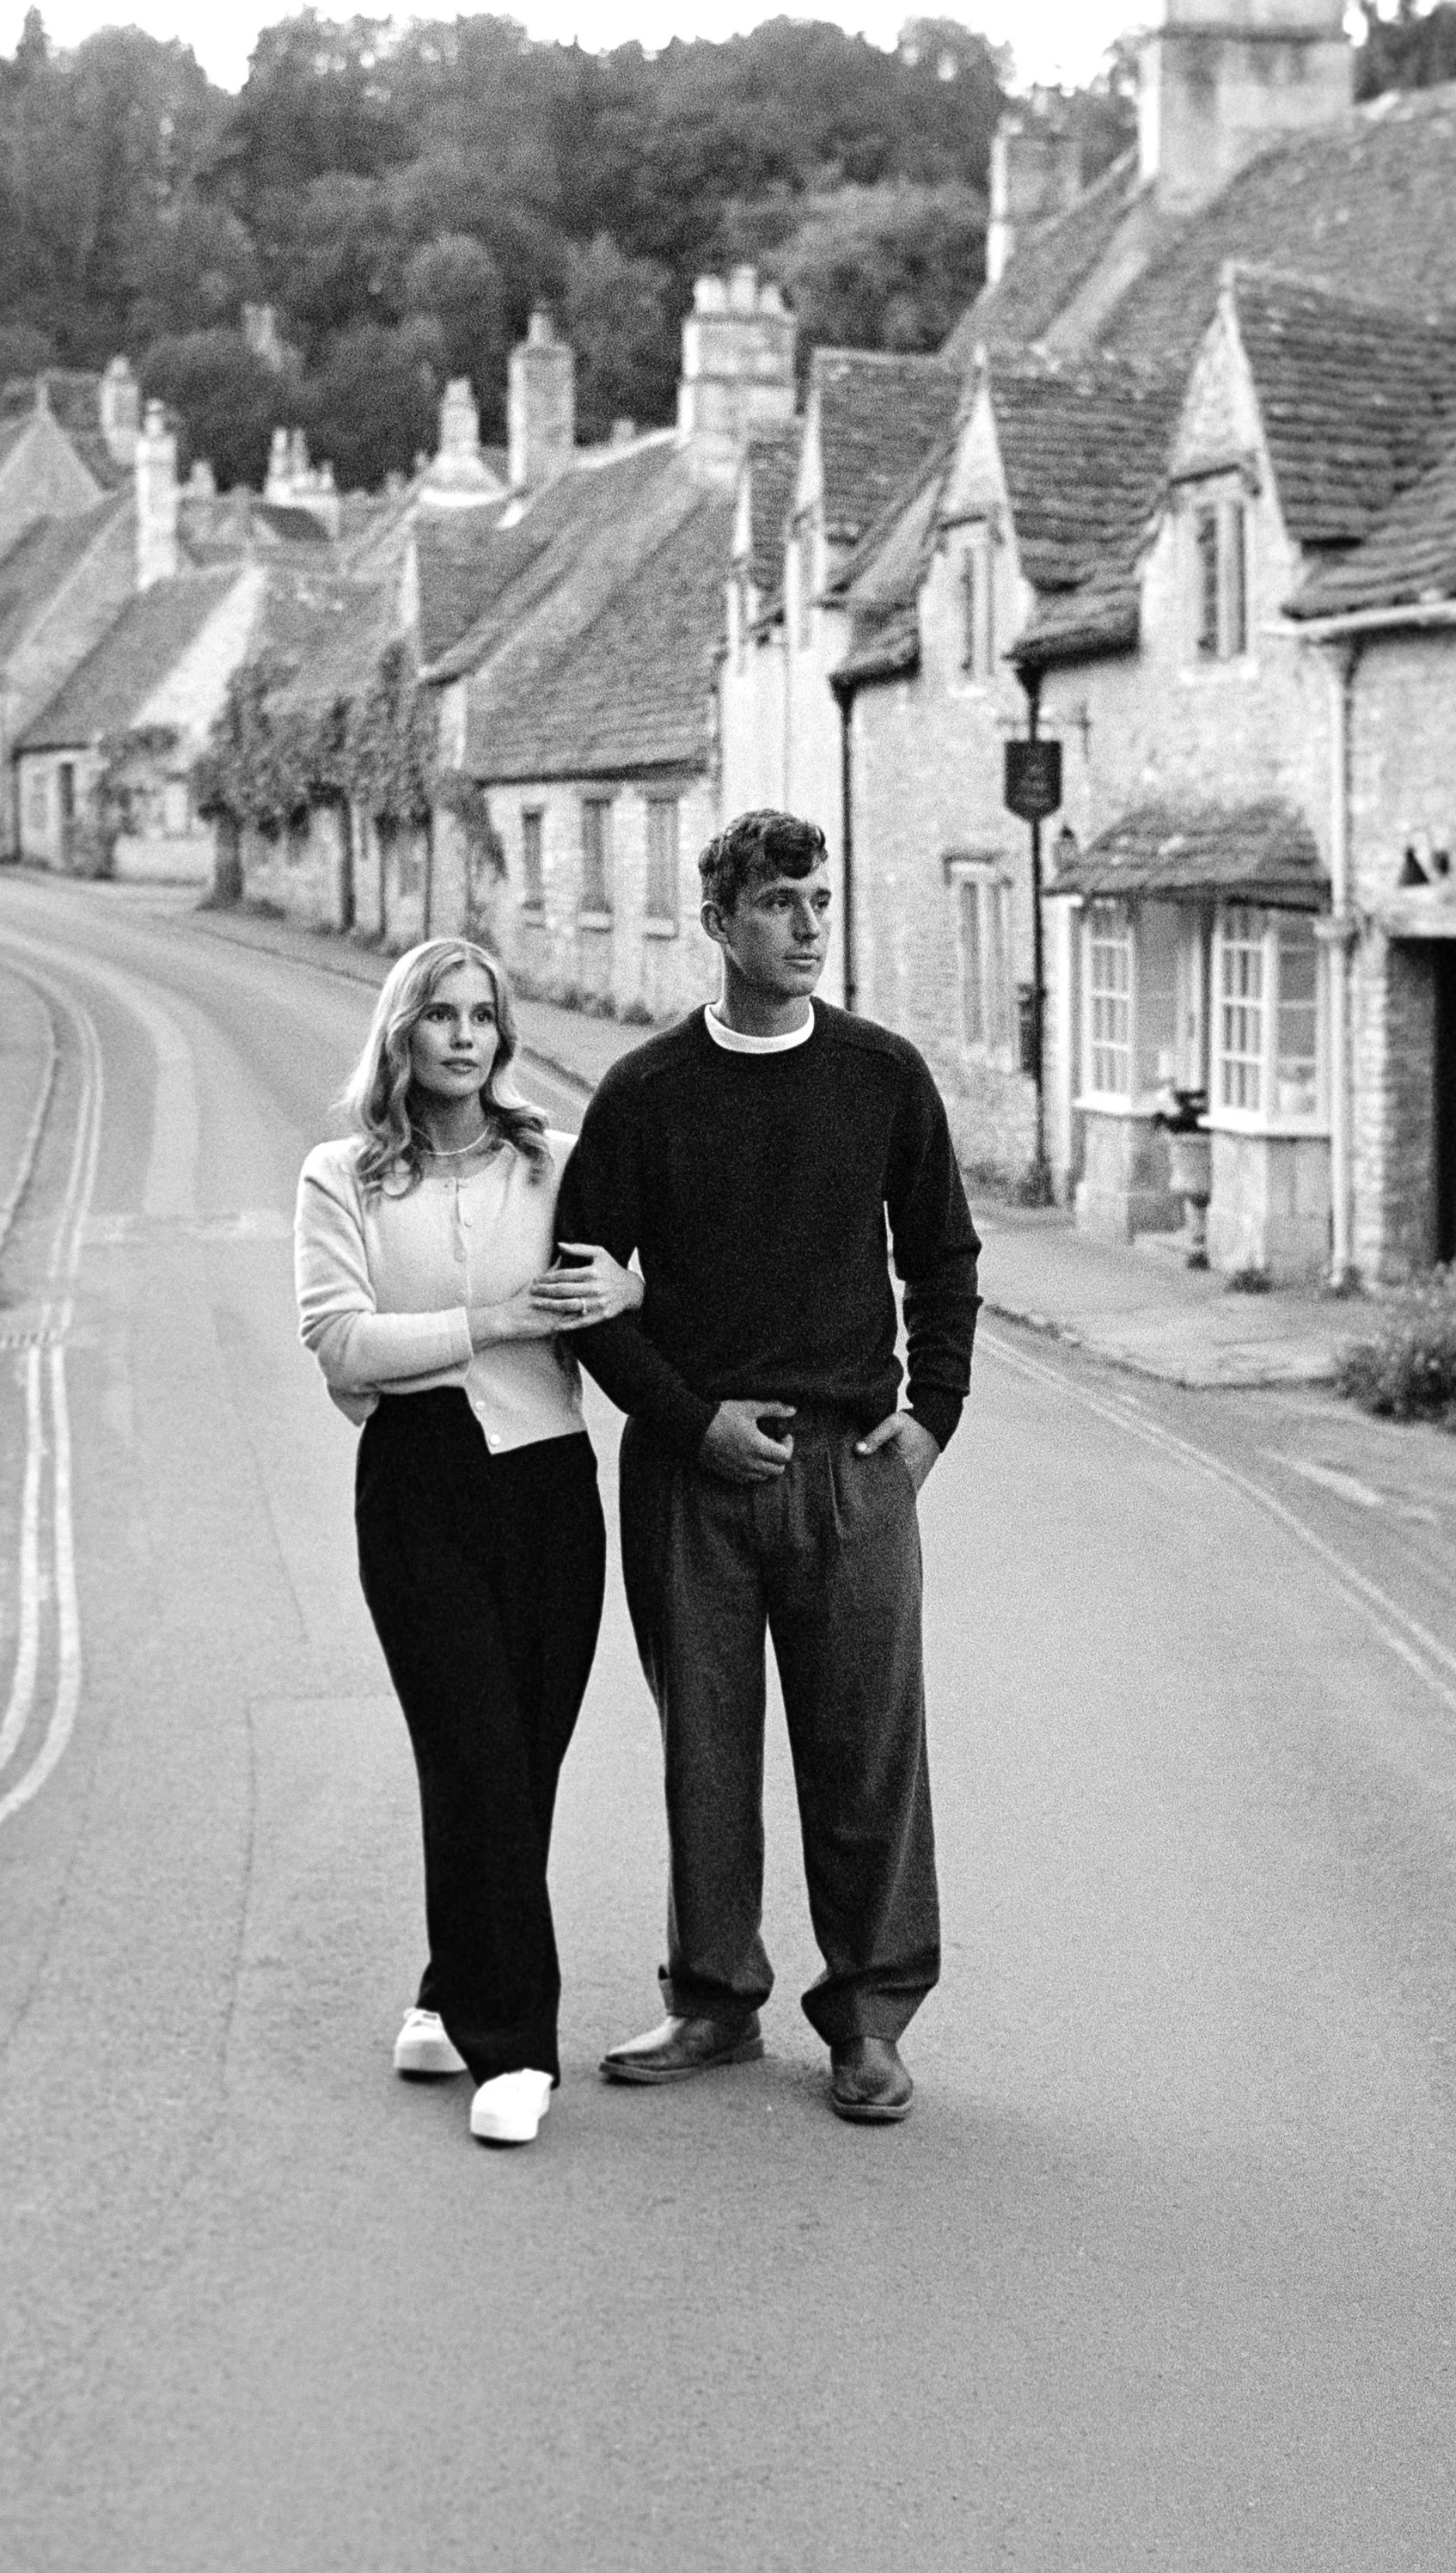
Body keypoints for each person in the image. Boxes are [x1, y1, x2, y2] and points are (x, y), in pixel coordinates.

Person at [554, 809, 980, 2125]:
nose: (809, 927)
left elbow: (945, 1255)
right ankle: (715, 1999)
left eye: (820, 902)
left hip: (853, 1469)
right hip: (696, 1478)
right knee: (708, 1750)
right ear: (720, 922)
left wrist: (930, 1422)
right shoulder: (644, 1095)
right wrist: (690, 1423)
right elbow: (583, 1293)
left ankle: (869, 2018)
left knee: (866, 1756)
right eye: (782, 903)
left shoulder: (882, 1077)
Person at [294, 937, 640, 2149]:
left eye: (482, 1015)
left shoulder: (558, 1163)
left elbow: (633, 1281)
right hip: (418, 1482)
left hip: (550, 1481)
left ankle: (450, 1986)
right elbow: (339, 1339)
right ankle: (519, 2049)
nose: (462, 1035)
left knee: (519, 1761)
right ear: (402, 1032)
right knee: (475, 1746)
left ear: (503, 1035)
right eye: (438, 1014)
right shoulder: (342, 1175)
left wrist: (626, 1297)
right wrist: (492, 1319)